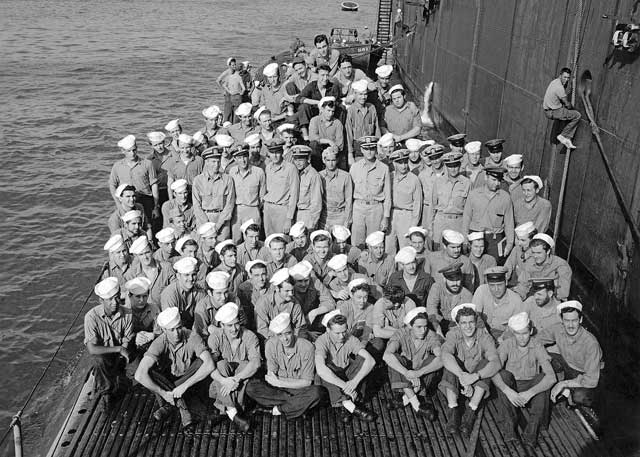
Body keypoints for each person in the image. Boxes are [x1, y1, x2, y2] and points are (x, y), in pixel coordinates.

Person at [134, 307, 214, 432]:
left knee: (201, 361)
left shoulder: (192, 336)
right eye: (172, 330)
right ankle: (181, 406)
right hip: (167, 380)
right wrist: (163, 393)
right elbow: (139, 375)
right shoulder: (159, 342)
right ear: (164, 330)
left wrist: (184, 386)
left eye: (178, 327)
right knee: (149, 371)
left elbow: (210, 364)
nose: (177, 333)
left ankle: (169, 406)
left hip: (188, 379)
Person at [492, 312, 556, 451]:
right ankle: (509, 430)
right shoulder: (507, 344)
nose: (521, 338)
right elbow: (493, 371)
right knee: (503, 375)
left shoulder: (537, 345)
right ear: (513, 333)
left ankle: (531, 433)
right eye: (517, 334)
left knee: (542, 379)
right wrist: (508, 391)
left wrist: (530, 393)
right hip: (513, 388)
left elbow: (552, 377)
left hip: (531, 388)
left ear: (531, 331)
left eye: (525, 333)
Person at [246, 313, 328, 419]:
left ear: (294, 331)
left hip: (298, 389)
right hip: (280, 391)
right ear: (275, 335)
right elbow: (271, 377)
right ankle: (298, 406)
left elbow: (306, 382)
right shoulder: (271, 345)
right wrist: (279, 384)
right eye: (280, 334)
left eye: (288, 333)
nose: (285, 338)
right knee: (251, 387)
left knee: (318, 392)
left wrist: (280, 382)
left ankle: (276, 410)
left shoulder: (307, 347)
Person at [439, 304, 501, 437]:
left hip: (476, 381)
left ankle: (471, 412)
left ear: (476, 322)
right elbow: (445, 355)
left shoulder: (484, 336)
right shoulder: (452, 334)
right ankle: (453, 412)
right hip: (459, 378)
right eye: (464, 323)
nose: (468, 326)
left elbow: (496, 362)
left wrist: (475, 377)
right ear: (458, 324)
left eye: (471, 322)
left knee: (487, 365)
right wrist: (462, 376)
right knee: (450, 364)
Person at [537, 301, 603, 416]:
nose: (571, 325)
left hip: (588, 373)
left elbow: (590, 380)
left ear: (581, 320)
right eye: (567, 320)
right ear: (562, 320)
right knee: (543, 359)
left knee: (579, 396)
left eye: (574, 320)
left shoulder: (591, 343)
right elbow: (536, 340)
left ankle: (569, 394)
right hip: (568, 365)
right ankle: (565, 392)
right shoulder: (558, 329)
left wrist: (563, 384)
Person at [315, 310, 376, 422]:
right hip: (332, 378)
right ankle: (349, 405)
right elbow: (320, 369)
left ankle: (345, 402)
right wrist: (345, 386)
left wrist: (354, 382)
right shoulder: (321, 341)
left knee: (363, 358)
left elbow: (371, 361)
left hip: (346, 374)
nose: (341, 336)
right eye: (337, 333)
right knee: (325, 369)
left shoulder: (349, 338)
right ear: (328, 330)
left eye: (344, 331)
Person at [208, 303, 261, 431]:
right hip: (222, 384)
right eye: (229, 325)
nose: (234, 329)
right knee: (220, 364)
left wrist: (236, 379)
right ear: (221, 325)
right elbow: (209, 367)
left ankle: (224, 411)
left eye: (236, 324)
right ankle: (233, 413)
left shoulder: (249, 336)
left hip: (239, 384)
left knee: (245, 365)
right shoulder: (214, 338)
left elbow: (256, 363)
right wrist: (224, 380)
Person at [383, 307, 443, 418]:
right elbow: (387, 355)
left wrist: (419, 373)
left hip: (422, 376)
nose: (423, 330)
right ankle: (417, 406)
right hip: (404, 375)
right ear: (410, 326)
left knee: (433, 359)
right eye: (419, 327)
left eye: (425, 326)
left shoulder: (431, 335)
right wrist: (407, 373)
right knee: (395, 358)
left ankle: (405, 399)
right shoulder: (401, 333)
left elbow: (442, 358)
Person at [85, 277, 133, 410]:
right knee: (98, 360)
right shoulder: (91, 317)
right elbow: (92, 349)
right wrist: (118, 349)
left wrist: (122, 353)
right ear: (101, 301)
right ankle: (105, 392)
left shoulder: (127, 314)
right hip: (105, 355)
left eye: (117, 298)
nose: (115, 302)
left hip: (120, 356)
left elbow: (127, 341)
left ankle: (120, 378)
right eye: (110, 299)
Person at [462, 166, 515, 263]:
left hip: (495, 240)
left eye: (499, 181)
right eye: (493, 180)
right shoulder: (474, 195)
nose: (497, 183)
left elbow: (509, 223)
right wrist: (465, 240)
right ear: (486, 178)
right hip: (475, 237)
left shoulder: (505, 197)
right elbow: (466, 218)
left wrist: (509, 244)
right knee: (473, 266)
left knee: (493, 268)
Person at [349, 138, 391, 248]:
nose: (369, 152)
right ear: (361, 150)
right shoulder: (354, 167)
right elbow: (349, 194)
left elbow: (388, 196)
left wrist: (386, 217)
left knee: (374, 242)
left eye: (372, 148)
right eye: (366, 149)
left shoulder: (384, 168)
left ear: (376, 149)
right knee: (357, 244)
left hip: (375, 209)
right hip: (358, 208)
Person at [109, 135, 160, 223]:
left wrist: (155, 206)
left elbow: (154, 185)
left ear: (137, 148)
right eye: (129, 151)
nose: (132, 153)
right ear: (123, 151)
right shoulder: (117, 166)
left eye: (134, 150)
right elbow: (112, 185)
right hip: (126, 201)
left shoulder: (147, 164)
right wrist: (118, 204)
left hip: (145, 199)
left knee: (147, 224)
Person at [192, 147, 236, 239]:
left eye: (218, 161)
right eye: (213, 162)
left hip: (222, 220)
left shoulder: (228, 179)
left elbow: (230, 204)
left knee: (223, 248)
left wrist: (218, 225)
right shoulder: (198, 180)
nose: (216, 165)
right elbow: (196, 205)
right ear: (206, 162)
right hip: (204, 219)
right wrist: (207, 225)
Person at [430, 151, 470, 248]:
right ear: (446, 166)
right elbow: (433, 206)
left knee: (457, 251)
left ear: (460, 165)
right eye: (450, 166)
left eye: (456, 166)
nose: (453, 169)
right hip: (441, 221)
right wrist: (430, 228)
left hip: (458, 222)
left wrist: (466, 231)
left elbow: (469, 209)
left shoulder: (466, 182)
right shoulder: (438, 182)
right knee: (438, 252)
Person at [514, 234, 572, 300]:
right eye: (533, 252)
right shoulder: (530, 262)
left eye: (539, 253)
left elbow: (562, 293)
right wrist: (518, 297)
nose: (535, 256)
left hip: (552, 298)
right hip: (533, 296)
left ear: (548, 251)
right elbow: (523, 284)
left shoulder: (561, 265)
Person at [254, 268, 307, 341]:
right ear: (277, 288)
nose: (291, 294)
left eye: (292, 290)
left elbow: (300, 327)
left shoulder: (294, 303)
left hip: (291, 339)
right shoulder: (263, 303)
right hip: (271, 340)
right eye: (287, 291)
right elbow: (262, 330)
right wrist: (281, 339)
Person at [473, 266, 524, 339]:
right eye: (492, 285)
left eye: (500, 285)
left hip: (503, 336)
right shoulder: (481, 291)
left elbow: (516, 326)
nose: (496, 289)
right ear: (487, 284)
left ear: (506, 282)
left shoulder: (516, 300)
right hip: (482, 332)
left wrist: (501, 340)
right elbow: (475, 315)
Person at [425, 261, 473, 336]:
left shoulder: (467, 295)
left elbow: (468, 319)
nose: (455, 284)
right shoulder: (437, 288)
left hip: (457, 328)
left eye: (458, 280)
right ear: (445, 279)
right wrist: (439, 332)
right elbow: (431, 310)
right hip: (438, 325)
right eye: (451, 280)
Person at [388, 149, 423, 252]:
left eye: (405, 162)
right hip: (391, 215)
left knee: (406, 248)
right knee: (389, 247)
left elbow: (418, 204)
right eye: (400, 163)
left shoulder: (414, 179)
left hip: (406, 215)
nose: (403, 166)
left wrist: (413, 225)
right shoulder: (390, 177)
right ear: (394, 163)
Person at [228, 146, 266, 242]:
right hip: (237, 211)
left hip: (252, 209)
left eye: (245, 156)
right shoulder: (232, 172)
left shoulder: (258, 172)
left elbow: (262, 195)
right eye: (239, 158)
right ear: (235, 159)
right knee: (236, 240)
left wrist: (256, 208)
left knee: (253, 240)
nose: (243, 160)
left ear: (248, 156)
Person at [125, 236, 175, 307]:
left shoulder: (166, 268)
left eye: (147, 252)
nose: (145, 257)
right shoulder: (132, 274)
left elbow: (175, 291)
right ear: (136, 256)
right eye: (141, 254)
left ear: (152, 251)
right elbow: (128, 300)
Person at [289, 260, 336, 335]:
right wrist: (307, 333)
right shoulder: (288, 290)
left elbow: (331, 303)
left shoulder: (314, 281)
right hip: (296, 327)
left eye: (306, 280)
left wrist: (314, 313)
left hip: (312, 319)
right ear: (293, 281)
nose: (303, 284)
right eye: (300, 281)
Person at [296, 65, 343, 139]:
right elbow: (299, 98)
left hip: (329, 113)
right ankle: (306, 136)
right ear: (317, 75)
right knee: (303, 107)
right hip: (314, 112)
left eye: (327, 75)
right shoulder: (312, 85)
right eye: (322, 75)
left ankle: (339, 133)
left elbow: (336, 102)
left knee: (341, 108)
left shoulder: (333, 87)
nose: (325, 78)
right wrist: (318, 102)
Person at [263, 142, 300, 235]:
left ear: (282, 152)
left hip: (282, 209)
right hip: (268, 209)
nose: (275, 156)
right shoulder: (268, 168)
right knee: (269, 240)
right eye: (272, 153)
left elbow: (294, 194)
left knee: (282, 240)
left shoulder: (290, 168)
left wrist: (289, 218)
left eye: (277, 152)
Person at [160, 257, 206, 329]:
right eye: (186, 275)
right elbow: (170, 323)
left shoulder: (200, 292)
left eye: (193, 274)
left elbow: (203, 316)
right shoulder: (169, 293)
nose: (191, 278)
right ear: (178, 276)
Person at [345, 79, 381, 165]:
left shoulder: (371, 108)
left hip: (372, 145)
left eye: (365, 94)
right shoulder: (351, 111)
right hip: (358, 147)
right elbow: (349, 133)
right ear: (355, 95)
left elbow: (377, 129)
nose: (363, 97)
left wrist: (379, 147)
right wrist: (350, 154)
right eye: (360, 94)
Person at [543, 67, 580, 149]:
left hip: (548, 110)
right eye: (565, 77)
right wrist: (572, 107)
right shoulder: (560, 88)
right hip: (554, 112)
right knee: (577, 115)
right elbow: (567, 104)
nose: (566, 80)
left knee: (566, 113)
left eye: (568, 78)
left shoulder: (554, 82)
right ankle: (563, 136)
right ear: (560, 76)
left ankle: (567, 138)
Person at [418, 144, 447, 245]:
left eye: (438, 157)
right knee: (428, 242)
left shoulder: (449, 173)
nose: (436, 161)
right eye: (432, 158)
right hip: (427, 213)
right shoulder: (422, 176)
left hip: (444, 213)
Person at [319, 147, 353, 229]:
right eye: (328, 160)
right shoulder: (319, 176)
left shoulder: (345, 176)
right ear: (324, 161)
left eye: (333, 160)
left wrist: (347, 221)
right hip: (324, 216)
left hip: (340, 216)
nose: (331, 164)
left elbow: (349, 200)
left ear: (337, 160)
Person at [123, 277, 159, 356]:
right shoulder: (123, 312)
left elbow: (160, 331)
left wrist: (153, 335)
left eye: (145, 296)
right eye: (138, 296)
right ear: (130, 296)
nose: (142, 300)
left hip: (148, 345)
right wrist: (135, 337)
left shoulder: (154, 309)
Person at [308, 97, 344, 169]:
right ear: (322, 109)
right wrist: (329, 141)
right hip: (318, 150)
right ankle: (316, 169)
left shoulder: (337, 123)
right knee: (313, 144)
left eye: (332, 111)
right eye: (328, 110)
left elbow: (340, 144)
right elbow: (312, 137)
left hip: (332, 151)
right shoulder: (315, 120)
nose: (330, 114)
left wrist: (332, 149)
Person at [293, 146, 323, 229]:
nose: (297, 163)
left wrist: (313, 222)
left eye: (301, 160)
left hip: (307, 215)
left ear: (308, 159)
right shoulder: (296, 173)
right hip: (296, 213)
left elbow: (316, 201)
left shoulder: (313, 175)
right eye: (295, 159)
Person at [237, 259, 270, 330]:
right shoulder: (244, 289)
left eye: (263, 274)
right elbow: (245, 315)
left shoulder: (272, 287)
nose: (261, 278)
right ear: (250, 275)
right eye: (257, 275)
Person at [146, 131, 172, 207]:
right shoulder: (149, 160)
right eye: (156, 145)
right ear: (151, 146)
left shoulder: (173, 155)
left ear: (164, 142)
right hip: (158, 191)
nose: (159, 147)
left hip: (173, 189)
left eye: (160, 143)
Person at [217, 57, 246, 123]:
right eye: (233, 65)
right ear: (229, 66)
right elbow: (218, 81)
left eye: (235, 64)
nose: (234, 66)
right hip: (228, 94)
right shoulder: (226, 72)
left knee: (235, 111)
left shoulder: (236, 73)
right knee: (228, 111)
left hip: (235, 94)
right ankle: (226, 124)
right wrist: (225, 90)